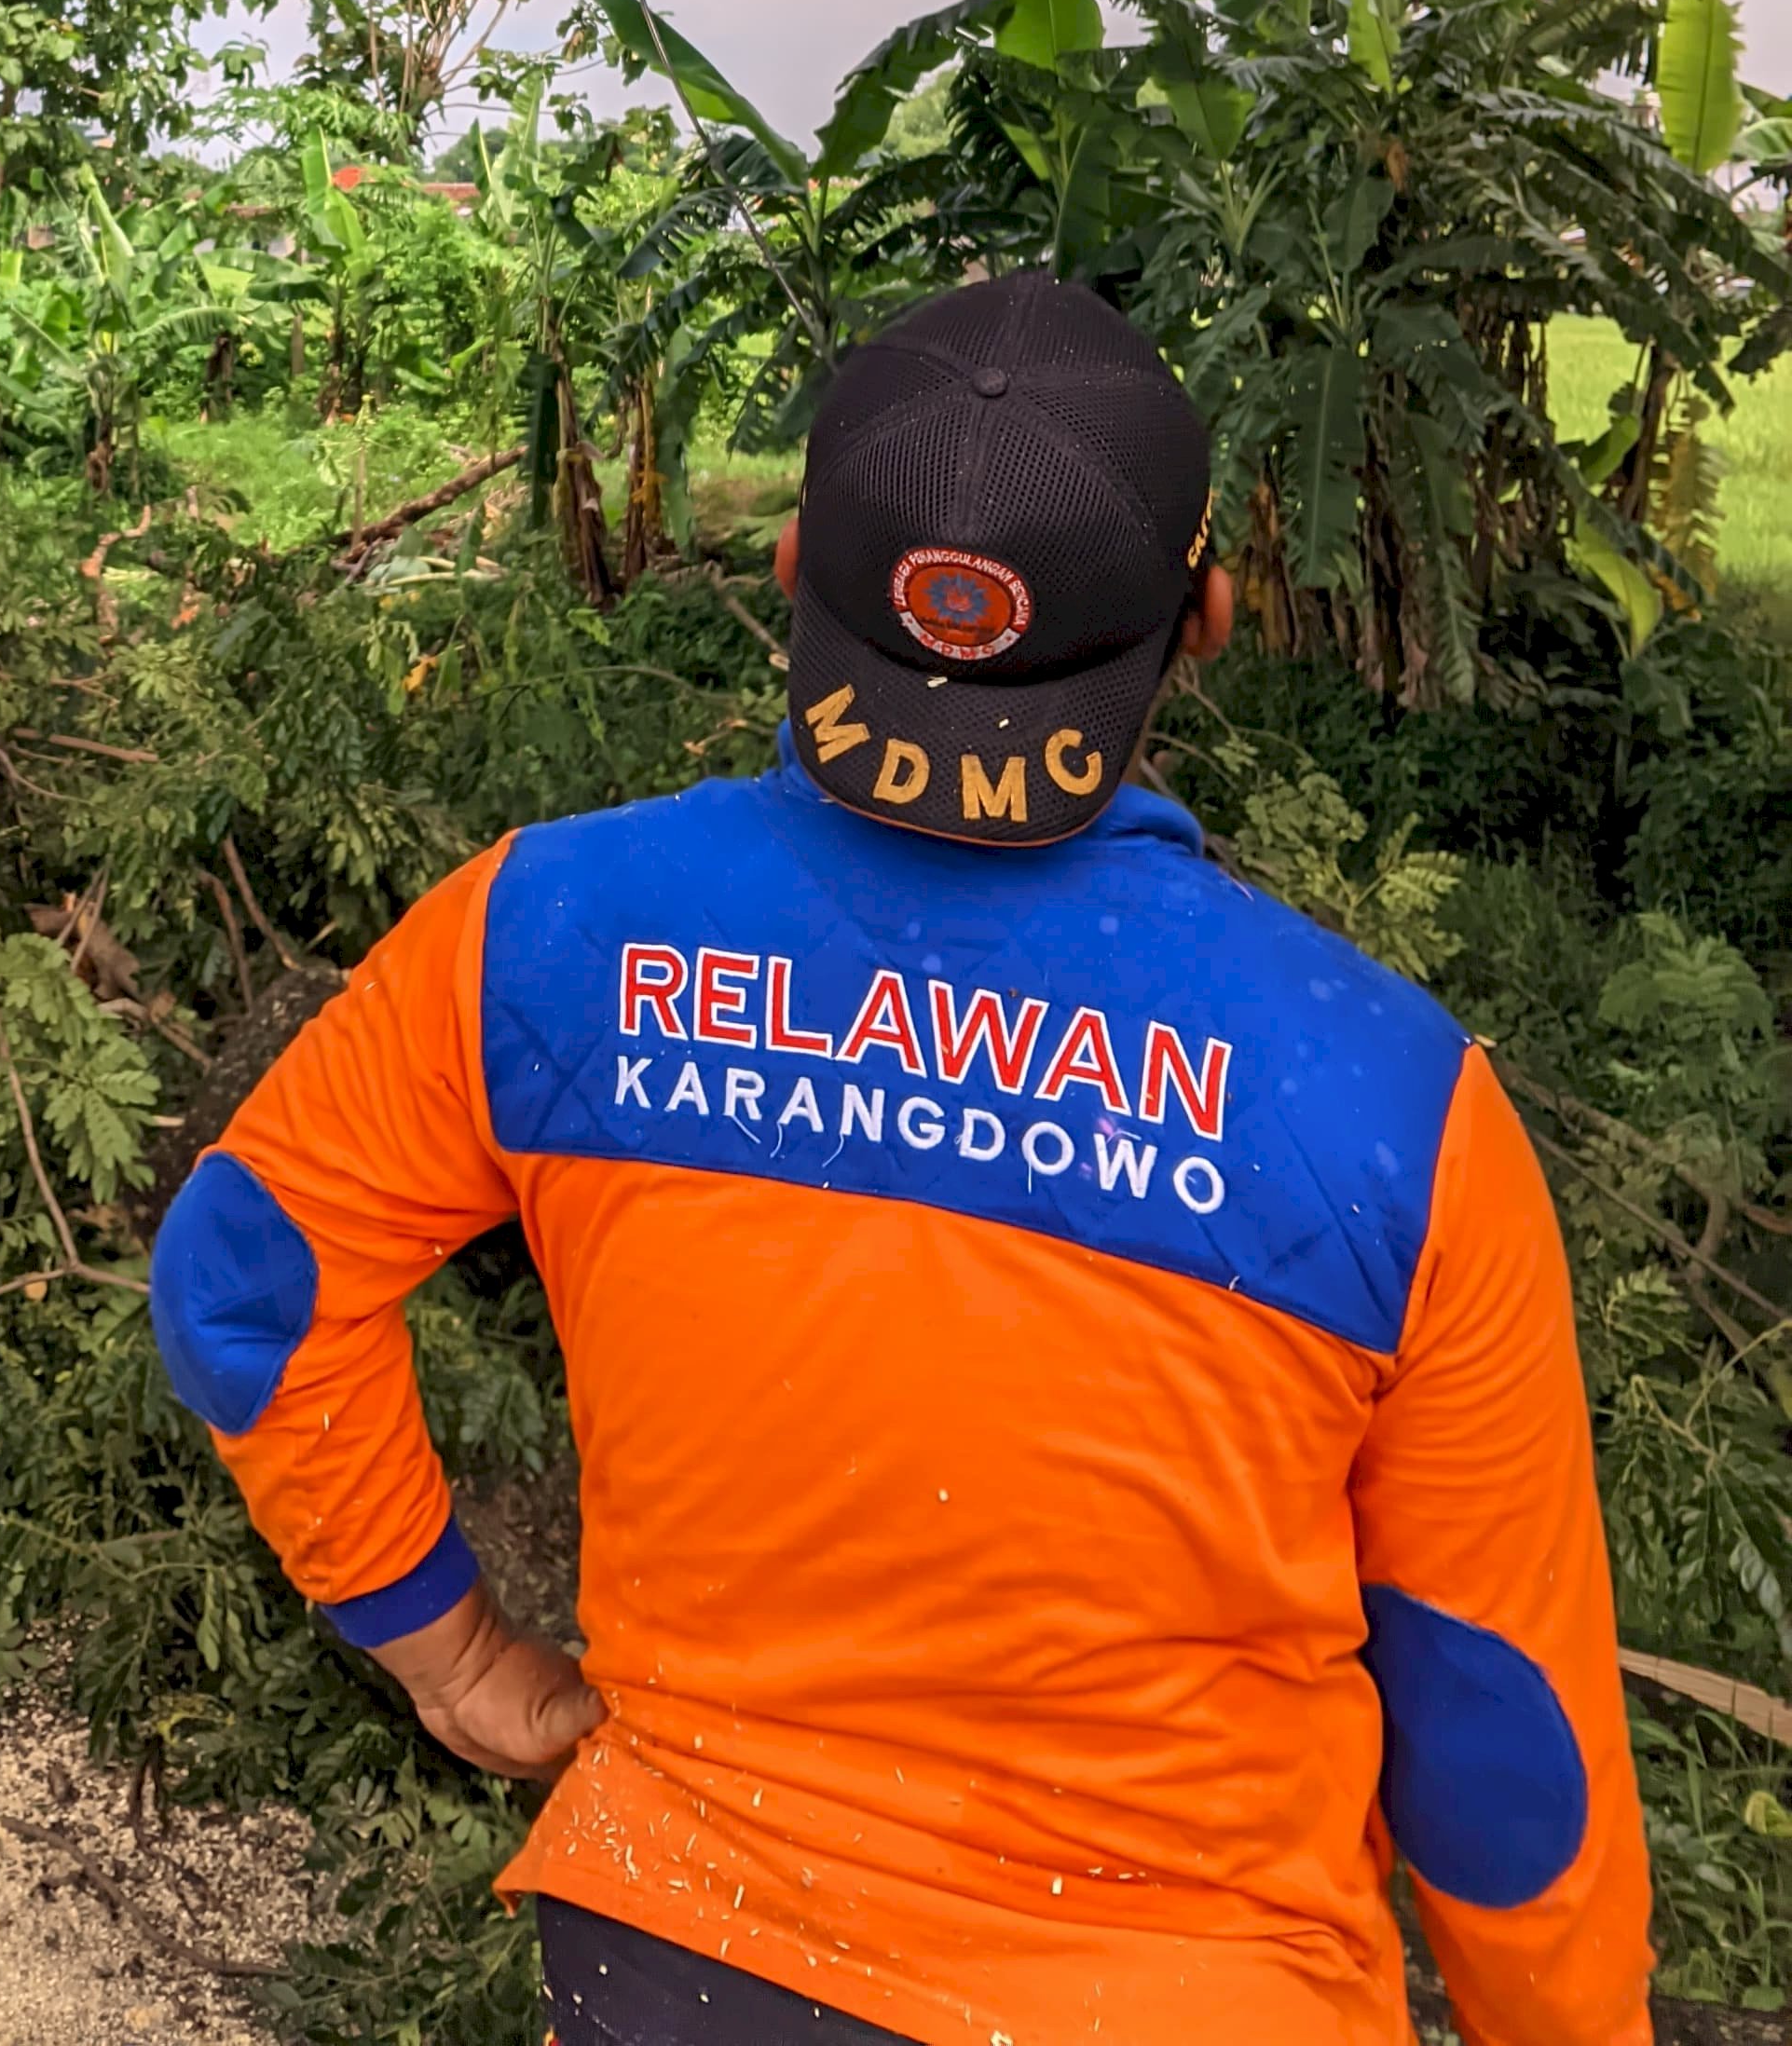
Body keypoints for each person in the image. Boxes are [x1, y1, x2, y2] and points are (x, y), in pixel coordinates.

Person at [150, 270, 1650, 2046]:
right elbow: (1493, 1731)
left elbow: (244, 1279)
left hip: (676, 1963)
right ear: (1209, 620)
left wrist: (448, 1647)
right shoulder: (1395, 1105)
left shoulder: (541, 934)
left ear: (791, 576)